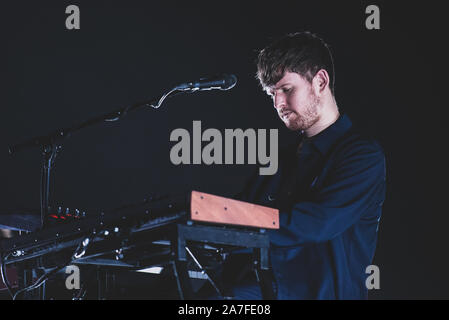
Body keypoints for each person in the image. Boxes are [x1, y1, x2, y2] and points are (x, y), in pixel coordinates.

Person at [216, 31, 386, 300]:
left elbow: (316, 223)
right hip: (258, 292)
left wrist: (234, 218)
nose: (278, 104)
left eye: (286, 89)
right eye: (272, 93)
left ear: (320, 81)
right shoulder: (278, 161)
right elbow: (239, 213)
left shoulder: (361, 156)